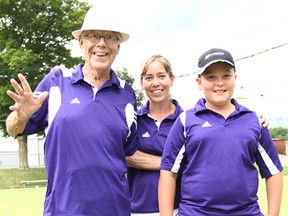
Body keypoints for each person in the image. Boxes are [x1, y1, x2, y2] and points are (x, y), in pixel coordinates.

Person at [6, 6, 137, 216]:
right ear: (81, 42)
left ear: (118, 46)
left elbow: (129, 153)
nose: (101, 44)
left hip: (116, 210)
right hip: (62, 210)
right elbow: (13, 129)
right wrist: (20, 116)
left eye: (110, 37)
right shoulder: (56, 82)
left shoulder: (127, 94)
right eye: (94, 36)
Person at [158, 48, 283, 216]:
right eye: (211, 77)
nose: (220, 82)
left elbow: (273, 172)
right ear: (199, 82)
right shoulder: (186, 120)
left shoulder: (255, 121)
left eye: (226, 76)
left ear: (235, 78)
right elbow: (168, 172)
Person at [126, 54, 183, 216]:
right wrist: (172, 163)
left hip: (180, 208)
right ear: (142, 83)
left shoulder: (187, 120)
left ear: (172, 80)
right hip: (138, 210)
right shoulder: (132, 120)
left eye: (162, 76)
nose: (155, 83)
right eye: (149, 78)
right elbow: (125, 155)